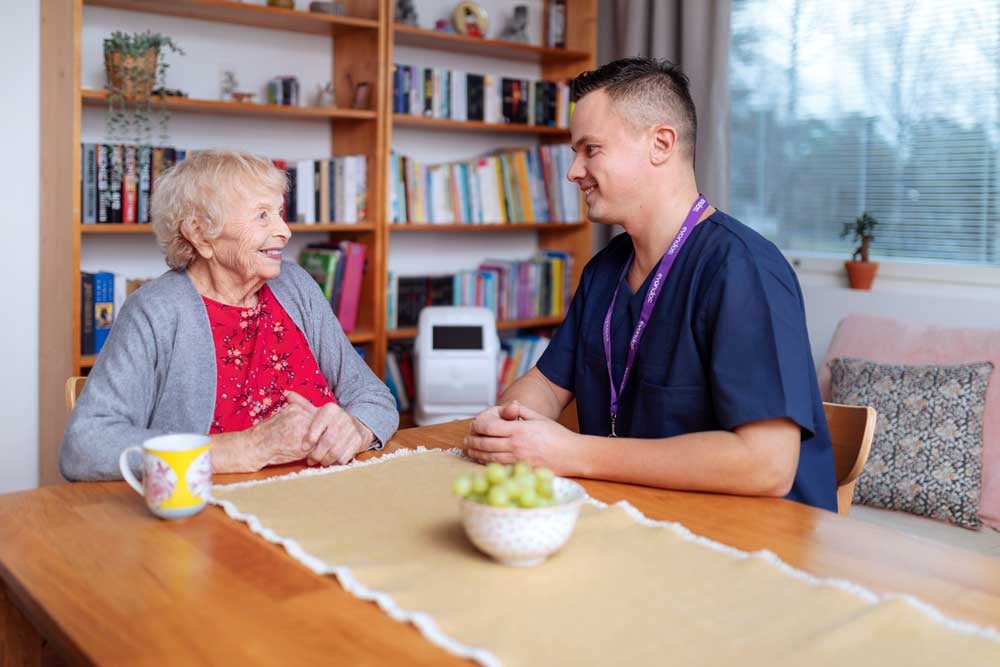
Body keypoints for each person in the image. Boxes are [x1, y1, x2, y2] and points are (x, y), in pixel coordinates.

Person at [465, 58, 837, 511]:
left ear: (660, 144)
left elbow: (767, 466)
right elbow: (545, 385)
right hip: (640, 518)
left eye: (591, 149)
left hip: (756, 541)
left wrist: (570, 452)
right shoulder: (604, 272)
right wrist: (511, 426)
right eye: (573, 153)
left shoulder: (744, 269)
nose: (573, 172)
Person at [61, 150, 398, 480]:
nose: (285, 230)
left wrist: (355, 428)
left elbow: (373, 396)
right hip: (217, 516)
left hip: (327, 493)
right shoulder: (155, 311)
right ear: (200, 233)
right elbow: (85, 445)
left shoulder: (295, 285)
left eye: (280, 212)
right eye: (262, 215)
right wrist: (244, 448)